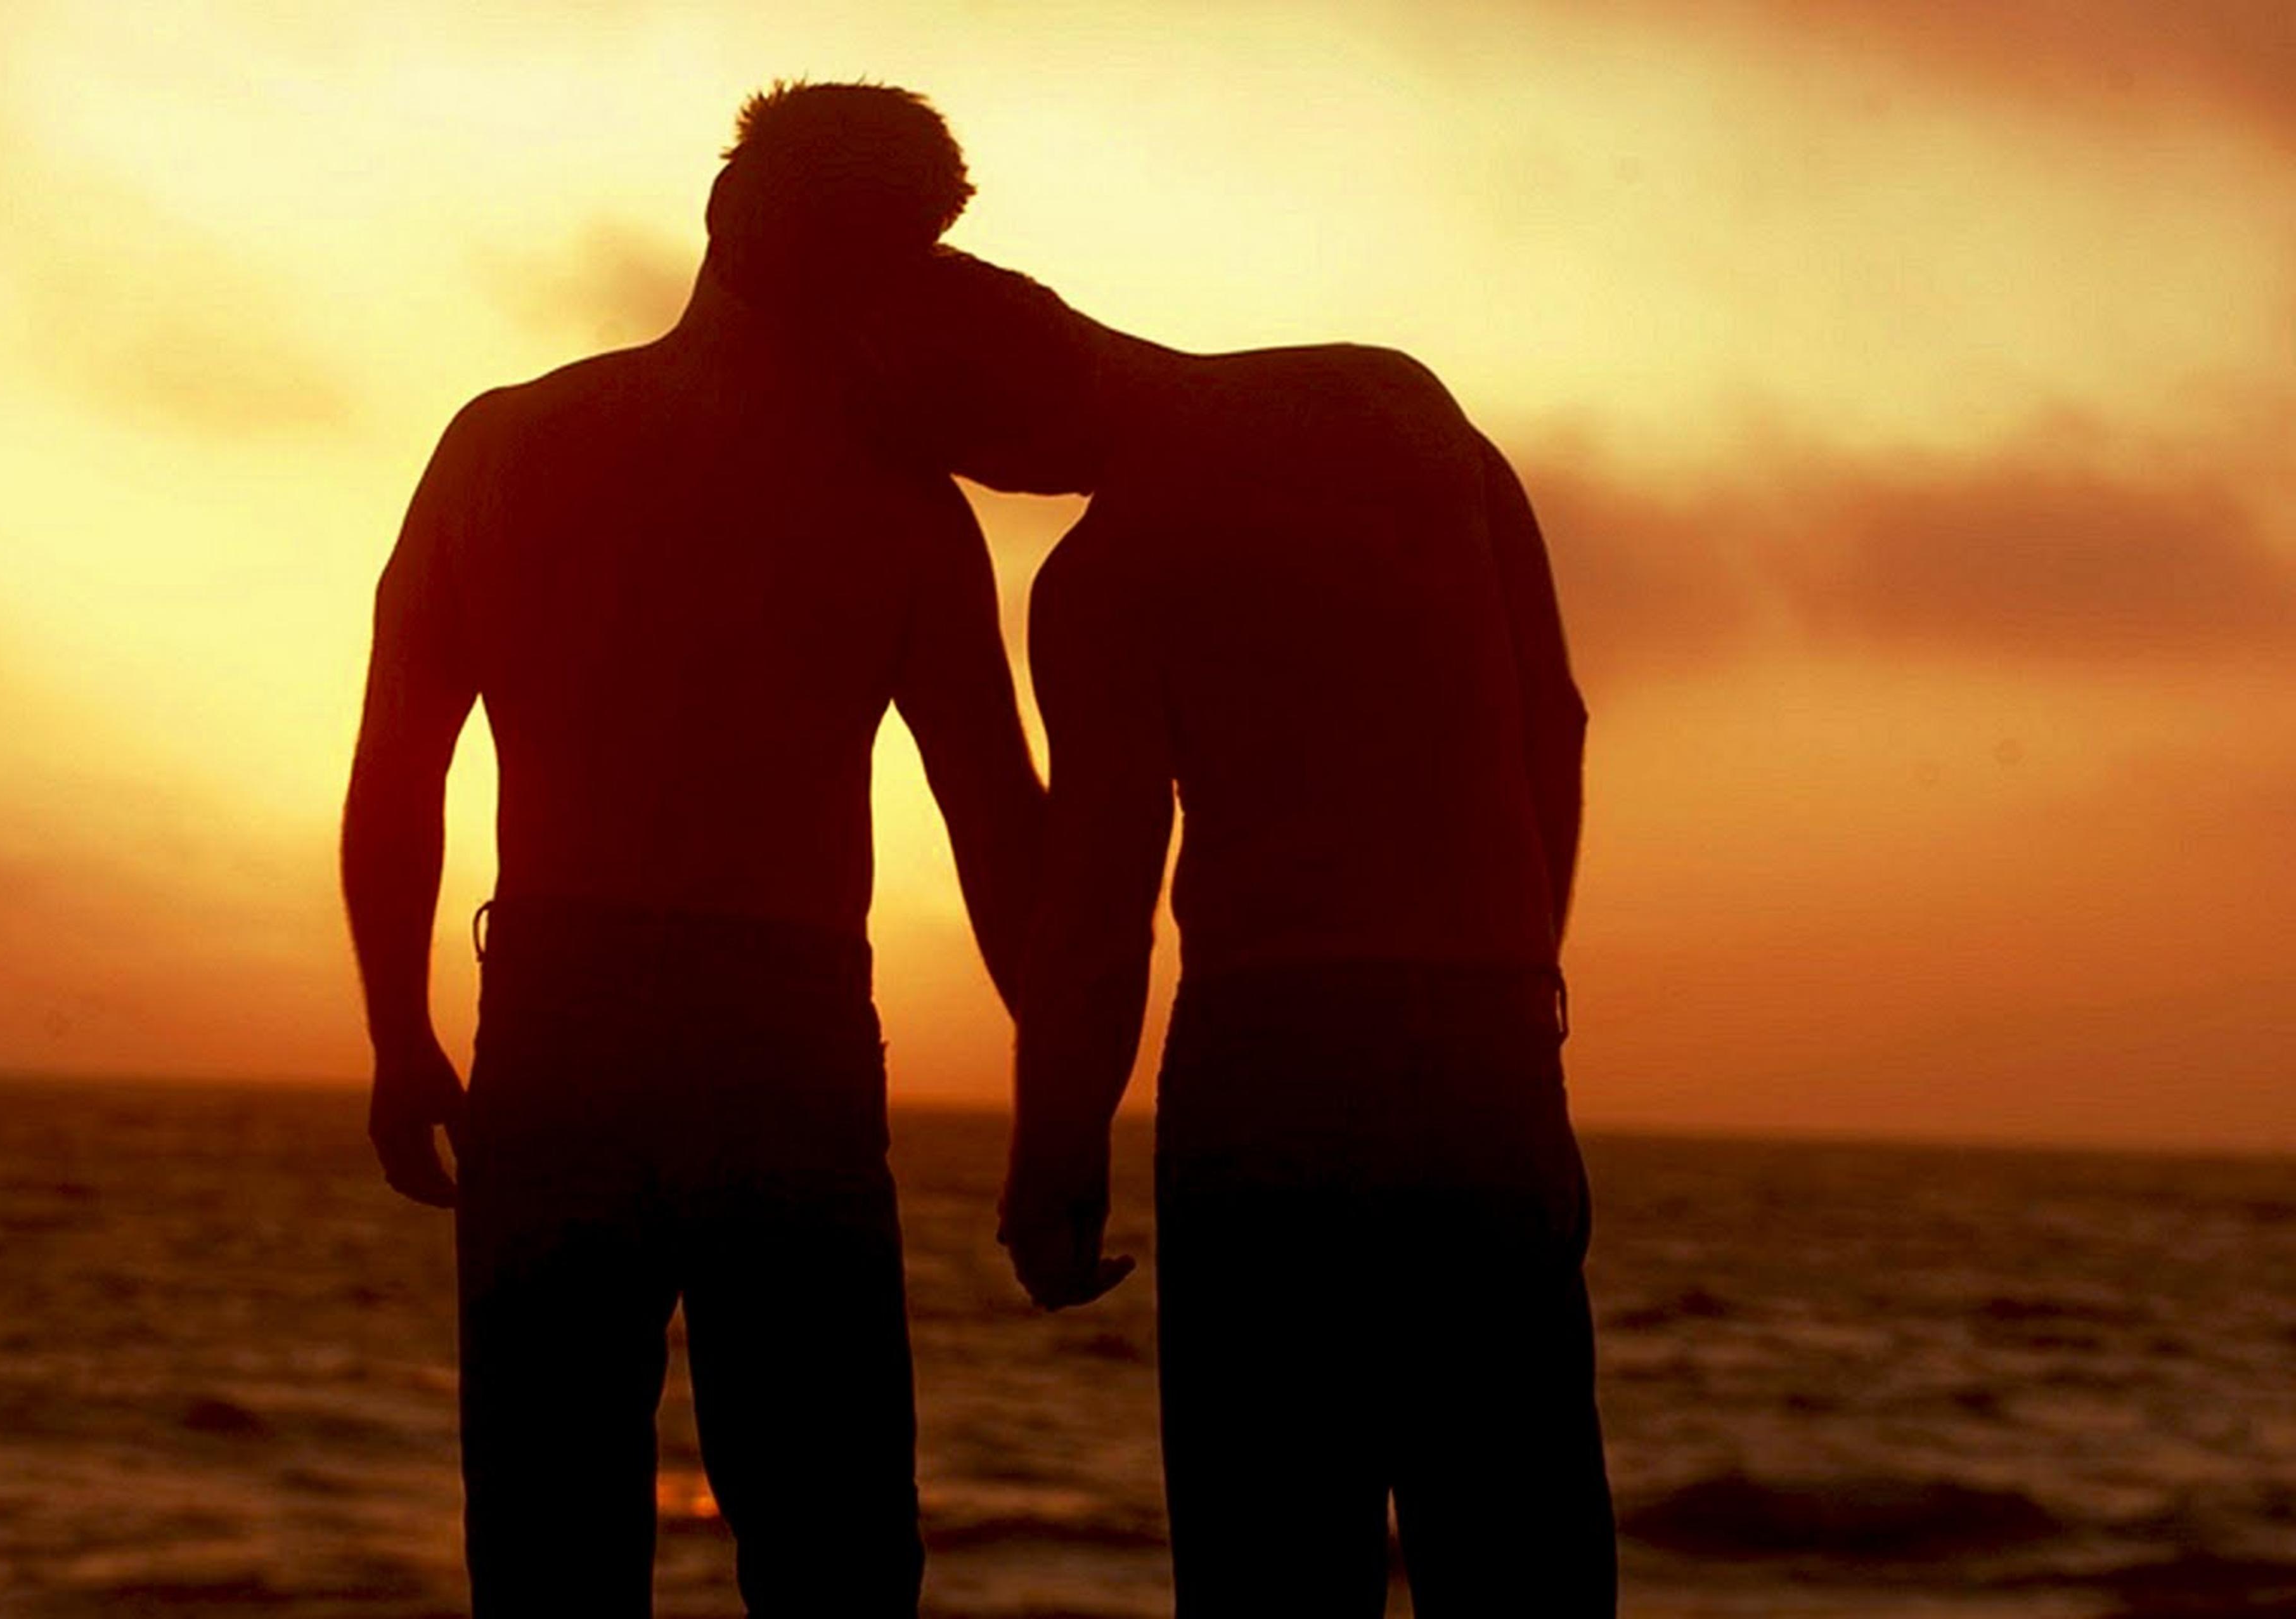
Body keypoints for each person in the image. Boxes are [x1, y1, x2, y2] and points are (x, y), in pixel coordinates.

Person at [340, 86, 1042, 1617]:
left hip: (563, 1018)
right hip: (777, 1030)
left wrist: (404, 1035)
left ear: (728, 213)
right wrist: (1058, 1116)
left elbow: (398, 772)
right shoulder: (901, 511)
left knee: (548, 1528)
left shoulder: (510, 441)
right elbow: (998, 832)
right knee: (833, 1533)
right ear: (900, 268)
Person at [870, 250, 1616, 1613]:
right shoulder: (1397, 405)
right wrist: (1521, 971)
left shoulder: (1105, 573)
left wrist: (1056, 1151)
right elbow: (1551, 720)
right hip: (1485, 1050)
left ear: (1005, 422)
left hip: (1269, 1081)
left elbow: (1102, 907)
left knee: (1273, 1561)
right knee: (1524, 1549)